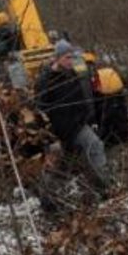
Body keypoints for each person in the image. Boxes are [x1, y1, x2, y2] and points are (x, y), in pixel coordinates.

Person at [34, 40, 109, 191]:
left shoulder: (73, 74)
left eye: (73, 57)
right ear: (57, 58)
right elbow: (40, 108)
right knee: (61, 164)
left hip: (77, 126)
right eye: (67, 57)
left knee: (95, 145)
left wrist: (89, 119)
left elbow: (82, 98)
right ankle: (54, 194)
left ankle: (106, 185)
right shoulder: (46, 80)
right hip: (59, 129)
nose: (71, 61)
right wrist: (50, 135)